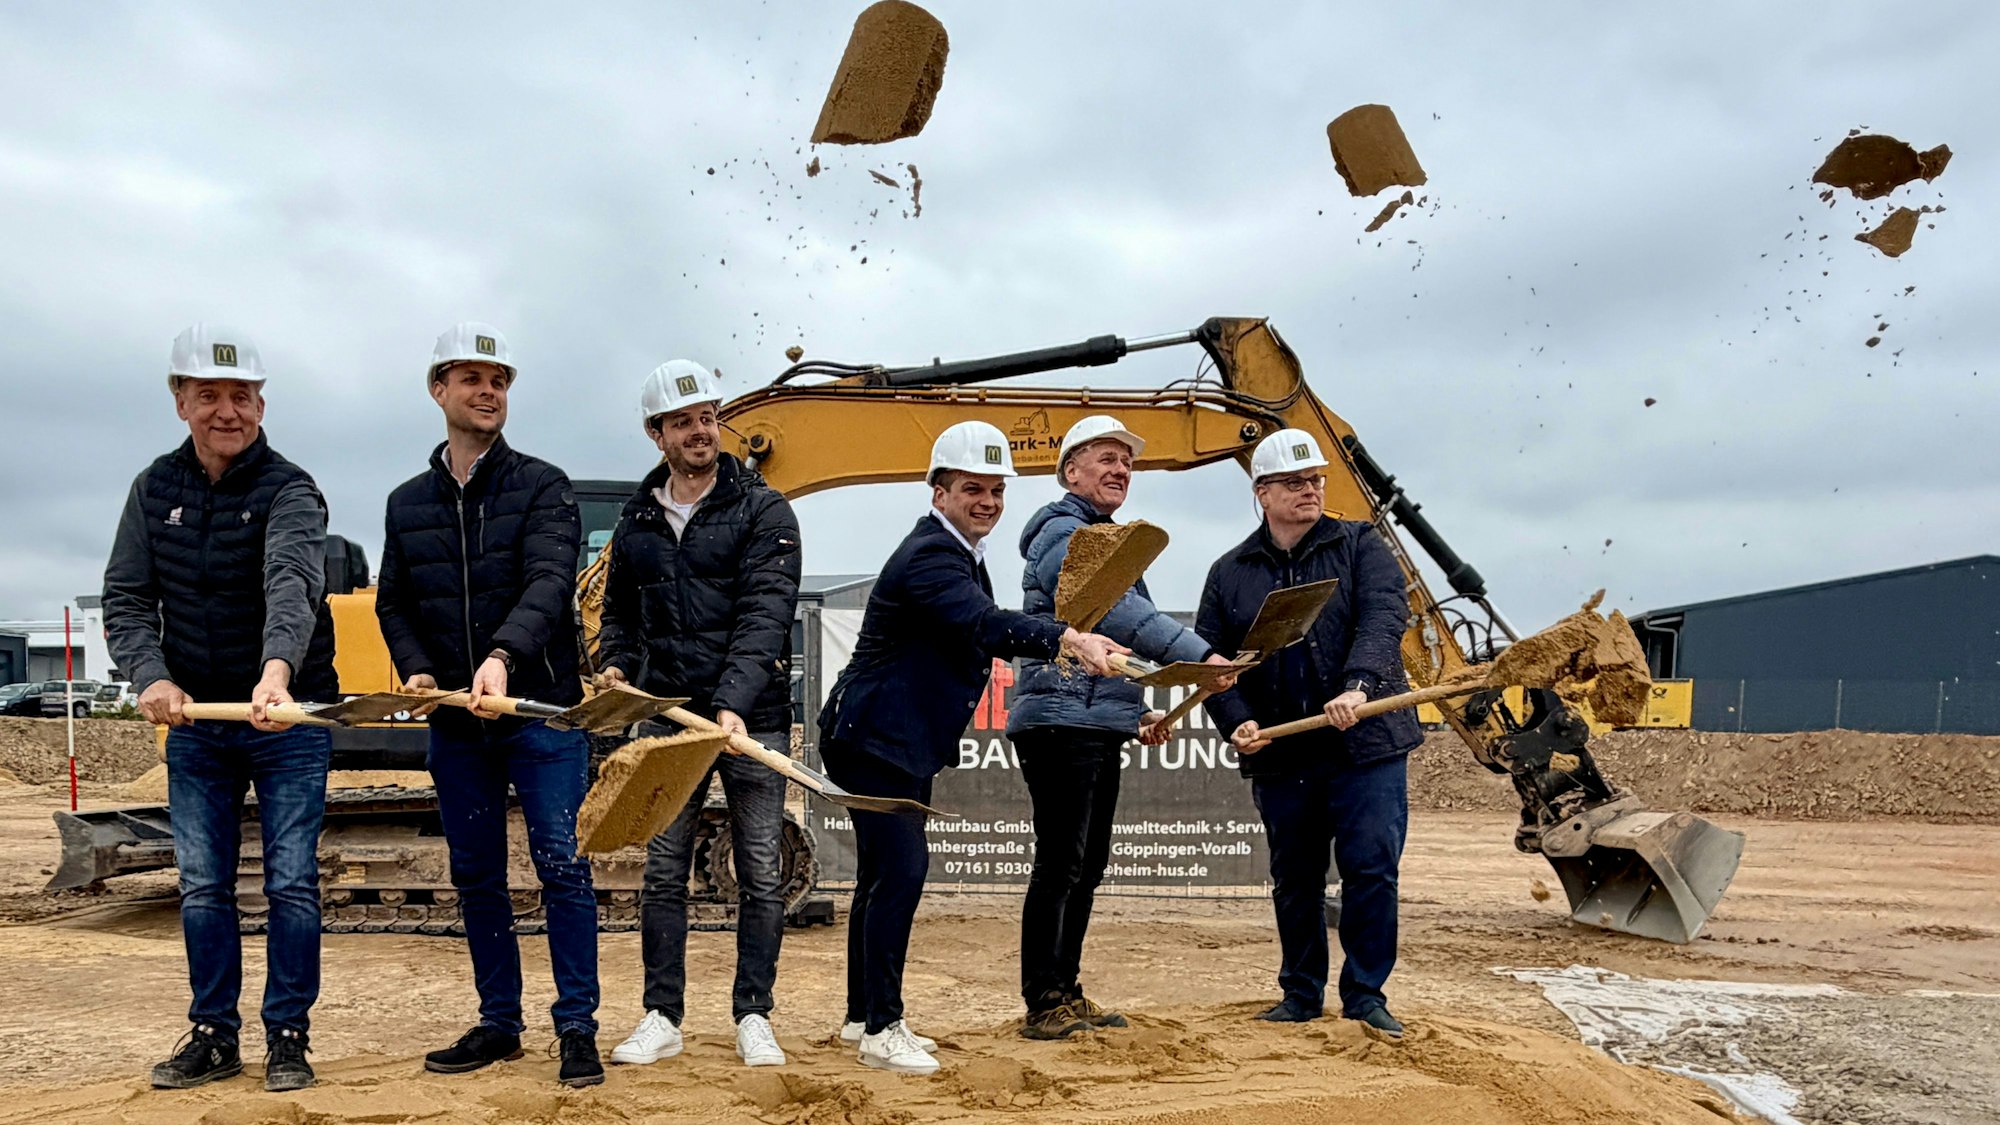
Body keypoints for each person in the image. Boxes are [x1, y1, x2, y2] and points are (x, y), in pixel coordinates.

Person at [817, 421, 1127, 1075]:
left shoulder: (960, 551)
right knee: (900, 872)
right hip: (877, 739)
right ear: (939, 489)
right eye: (971, 488)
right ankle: (882, 1026)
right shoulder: (932, 554)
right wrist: (1068, 637)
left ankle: (859, 1017)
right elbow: (985, 624)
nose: (986, 500)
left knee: (881, 875)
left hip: (890, 738)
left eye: (995, 489)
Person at [104, 325, 338, 1092]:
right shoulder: (154, 490)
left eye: (241, 396)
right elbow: (128, 597)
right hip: (199, 722)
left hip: (284, 718)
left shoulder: (290, 488)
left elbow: (292, 583)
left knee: (291, 881)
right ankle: (214, 1032)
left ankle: (289, 1034)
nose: (227, 411)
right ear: (180, 402)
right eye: (209, 396)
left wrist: (277, 674)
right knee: (203, 883)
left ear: (261, 402)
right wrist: (150, 675)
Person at [375, 322, 603, 1087]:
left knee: (561, 867)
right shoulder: (407, 504)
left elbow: (548, 582)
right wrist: (416, 668)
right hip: (456, 726)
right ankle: (499, 1021)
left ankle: (576, 1026)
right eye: (472, 379)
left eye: (499, 380)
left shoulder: (544, 485)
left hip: (539, 714)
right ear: (439, 389)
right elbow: (394, 600)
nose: (488, 392)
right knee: (477, 873)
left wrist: (501, 659)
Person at [597, 361, 802, 1069]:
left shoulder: (764, 509)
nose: (701, 430)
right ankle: (662, 1014)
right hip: (666, 719)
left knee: (761, 871)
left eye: (709, 416)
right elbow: (620, 609)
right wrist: (617, 662)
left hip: (751, 716)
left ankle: (754, 1014)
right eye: (683, 421)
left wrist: (731, 706)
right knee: (662, 872)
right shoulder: (638, 516)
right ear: (658, 434)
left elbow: (764, 615)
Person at [1006, 415, 1236, 1039]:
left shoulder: (1106, 537)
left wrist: (1138, 713)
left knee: (1085, 863)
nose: (1119, 470)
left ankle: (1064, 990)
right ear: (1070, 471)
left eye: (1127, 463)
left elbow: (1109, 646)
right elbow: (1118, 611)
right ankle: (1043, 1000)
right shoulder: (1066, 533)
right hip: (1059, 720)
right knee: (1062, 863)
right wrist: (1198, 654)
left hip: (1090, 720)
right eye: (1105, 458)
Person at [1196, 429, 1422, 1039]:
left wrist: (1359, 686)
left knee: (1370, 869)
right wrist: (1235, 718)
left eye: (1316, 480)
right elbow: (1215, 662)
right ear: (1262, 492)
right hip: (1283, 750)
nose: (1311, 490)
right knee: (1294, 876)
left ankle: (1366, 994)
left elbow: (1384, 615)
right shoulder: (1229, 572)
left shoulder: (1360, 545)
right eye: (1295, 482)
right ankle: (1300, 994)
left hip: (1364, 745)